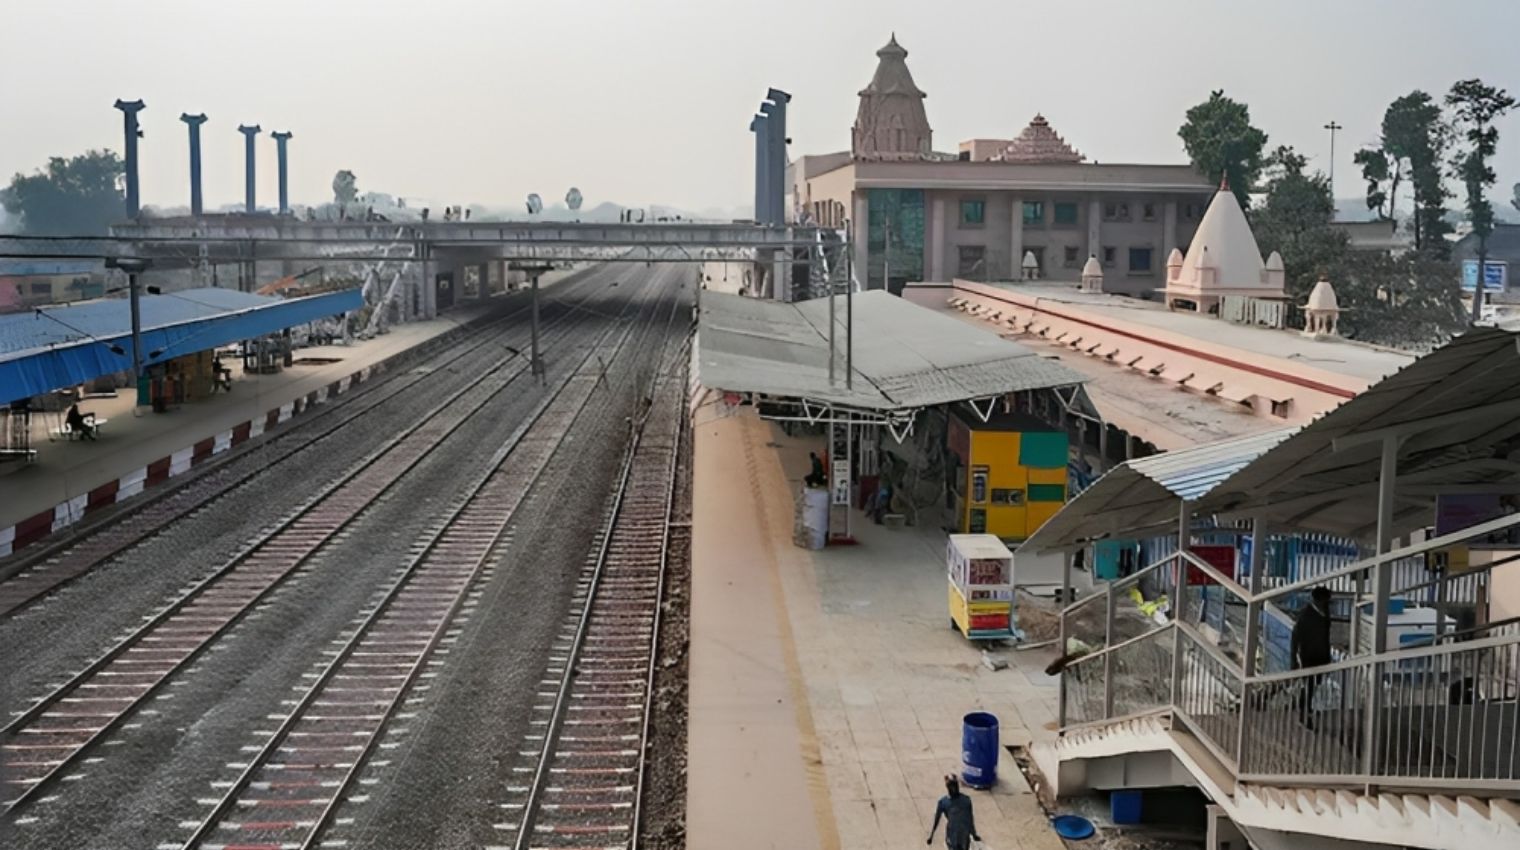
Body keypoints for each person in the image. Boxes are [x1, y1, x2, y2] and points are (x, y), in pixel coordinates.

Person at [1291, 586, 1334, 728]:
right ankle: (1304, 714)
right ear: (1319, 600)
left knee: (1313, 685)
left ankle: (1306, 709)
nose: (1328, 603)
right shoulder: (1306, 615)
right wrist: (1294, 660)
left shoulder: (1325, 613)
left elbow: (1326, 638)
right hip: (1308, 657)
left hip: (1320, 656)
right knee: (1308, 685)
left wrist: (1327, 657)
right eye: (1326, 600)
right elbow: (1295, 637)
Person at [927, 775, 979, 850]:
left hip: (964, 835)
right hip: (952, 834)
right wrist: (931, 835)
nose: (953, 789)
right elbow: (936, 819)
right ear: (948, 787)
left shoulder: (966, 800)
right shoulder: (943, 802)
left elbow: (970, 818)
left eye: (955, 785)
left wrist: (974, 834)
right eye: (951, 786)